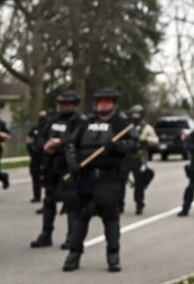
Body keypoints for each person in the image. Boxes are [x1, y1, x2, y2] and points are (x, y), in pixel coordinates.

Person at [62, 87, 137, 273]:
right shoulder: (85, 122)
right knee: (80, 217)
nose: (103, 105)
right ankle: (74, 254)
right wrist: (73, 163)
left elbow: (133, 145)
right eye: (100, 102)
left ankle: (113, 256)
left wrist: (116, 146)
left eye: (107, 102)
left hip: (109, 179)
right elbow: (70, 143)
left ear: (113, 103)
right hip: (86, 177)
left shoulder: (122, 124)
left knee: (110, 218)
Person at [30, 90, 81, 249]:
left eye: (68, 104)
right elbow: (40, 139)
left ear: (74, 105)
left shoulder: (79, 121)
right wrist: (44, 146)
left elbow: (78, 140)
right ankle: (46, 234)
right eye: (62, 104)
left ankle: (71, 236)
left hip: (68, 166)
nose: (65, 107)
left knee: (71, 201)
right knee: (49, 200)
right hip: (51, 165)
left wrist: (61, 143)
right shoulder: (53, 121)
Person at [124, 104, 158, 215]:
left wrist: (145, 140)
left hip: (139, 158)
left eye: (137, 114)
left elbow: (155, 140)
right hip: (126, 157)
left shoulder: (146, 128)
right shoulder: (126, 126)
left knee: (139, 183)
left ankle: (139, 204)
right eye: (133, 113)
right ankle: (119, 204)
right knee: (120, 180)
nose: (135, 115)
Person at [27, 109, 50, 203]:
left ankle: (49, 196)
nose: (42, 119)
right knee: (35, 175)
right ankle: (37, 196)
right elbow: (29, 138)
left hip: (47, 155)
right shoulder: (35, 129)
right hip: (36, 155)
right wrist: (31, 148)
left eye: (43, 116)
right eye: (40, 116)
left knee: (47, 176)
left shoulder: (50, 128)